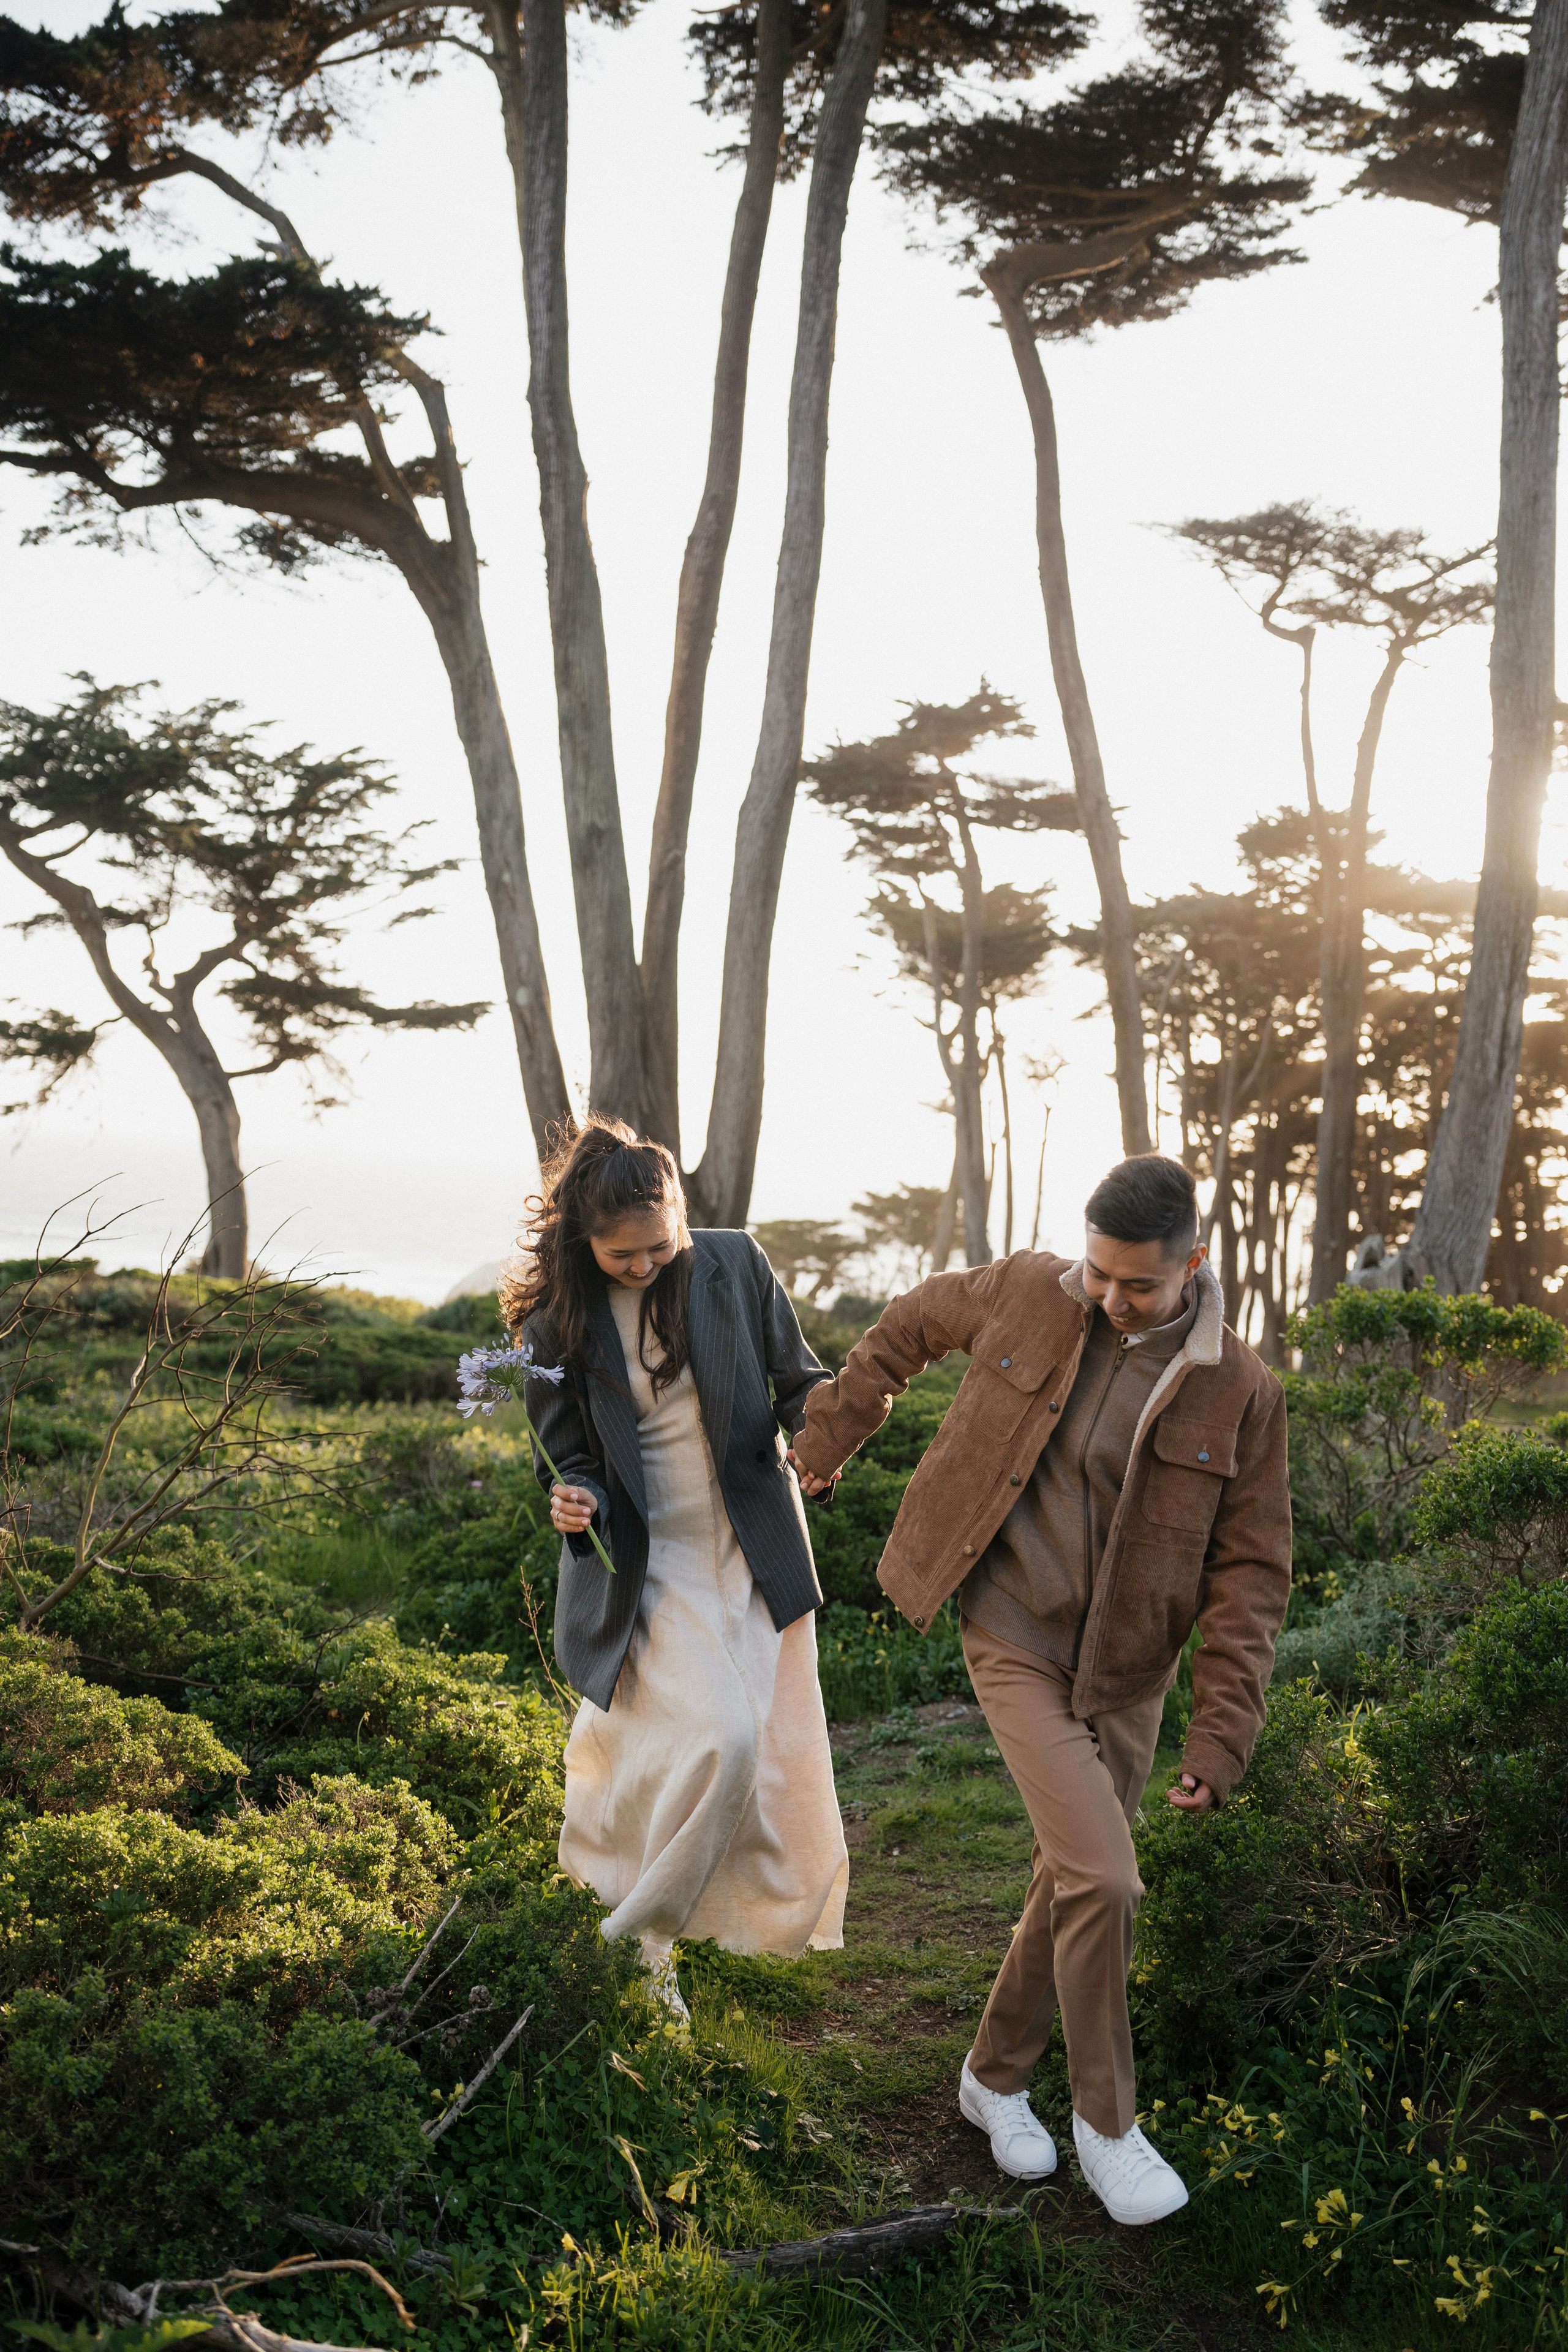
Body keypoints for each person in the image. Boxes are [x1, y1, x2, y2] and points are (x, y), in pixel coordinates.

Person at [787, 1155, 1291, 2226]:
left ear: (1194, 1265)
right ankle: (1108, 2126)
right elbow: (910, 1326)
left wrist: (1223, 1731)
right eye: (1100, 1274)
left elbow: (1251, 1577)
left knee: (1067, 1879)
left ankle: (992, 2079)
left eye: (1137, 1286)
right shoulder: (1030, 1286)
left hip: (1127, 1669)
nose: (1110, 1298)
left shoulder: (1242, 1390)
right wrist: (830, 1434)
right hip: (1010, 1625)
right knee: (1106, 1879)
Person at [506, 1118, 848, 2019]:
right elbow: (567, 1463)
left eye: (662, 1244)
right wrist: (572, 1501)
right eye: (623, 1255)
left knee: (755, 1753)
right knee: (721, 1740)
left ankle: (644, 1945)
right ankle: (632, 1936)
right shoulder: (553, 1325)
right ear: (585, 1241)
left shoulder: (735, 1263)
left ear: (682, 1216)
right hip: (648, 1568)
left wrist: (826, 1424)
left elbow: (797, 1381)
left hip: (751, 1545)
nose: (646, 1264)